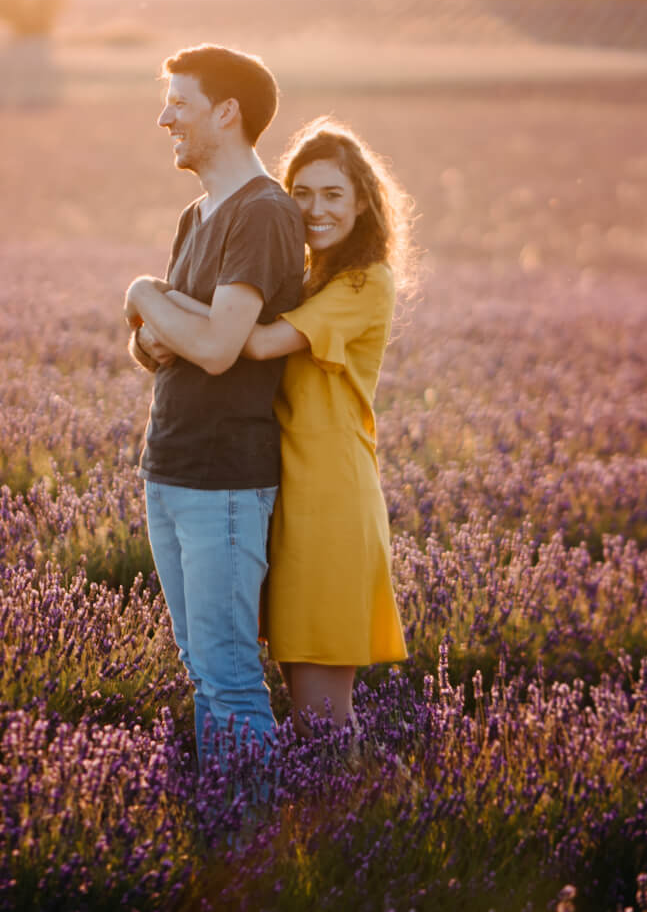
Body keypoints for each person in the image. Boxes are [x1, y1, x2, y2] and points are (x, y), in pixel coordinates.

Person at [134, 117, 413, 735]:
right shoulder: (307, 277)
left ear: (364, 200)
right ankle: (314, 819)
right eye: (303, 193)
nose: (315, 209)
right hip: (280, 490)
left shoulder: (366, 283)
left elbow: (252, 344)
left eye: (334, 194)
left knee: (321, 716)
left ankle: (352, 821)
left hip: (329, 500)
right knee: (280, 692)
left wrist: (147, 295)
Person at [122, 45, 305, 763]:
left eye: (180, 102)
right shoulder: (197, 214)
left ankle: (253, 847)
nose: (164, 116)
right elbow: (153, 350)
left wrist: (143, 294)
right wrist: (167, 325)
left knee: (228, 678)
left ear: (227, 113)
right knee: (201, 670)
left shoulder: (262, 213)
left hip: (225, 480)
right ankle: (226, 819)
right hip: (169, 466)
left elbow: (218, 346)